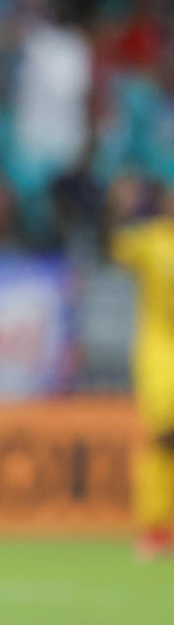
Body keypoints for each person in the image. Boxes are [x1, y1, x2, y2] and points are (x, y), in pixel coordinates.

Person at [110, 176, 174, 561]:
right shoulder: (153, 241)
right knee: (166, 436)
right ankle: (155, 528)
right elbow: (118, 248)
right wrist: (125, 208)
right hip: (162, 353)